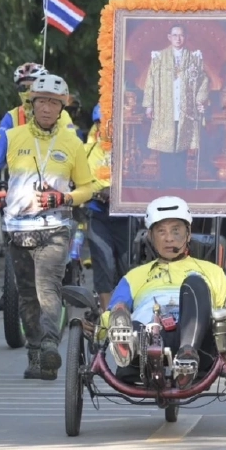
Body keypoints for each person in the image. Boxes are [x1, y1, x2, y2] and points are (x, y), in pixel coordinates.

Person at [0, 72, 97, 380]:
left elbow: (88, 187)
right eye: (41, 101)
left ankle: (49, 344)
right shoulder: (11, 137)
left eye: (53, 103)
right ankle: (35, 354)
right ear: (31, 105)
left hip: (55, 228)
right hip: (18, 228)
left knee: (48, 289)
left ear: (62, 108)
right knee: (27, 295)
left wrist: (64, 197)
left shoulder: (72, 142)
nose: (46, 108)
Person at [104, 196, 226, 387]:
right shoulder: (135, 275)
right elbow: (110, 313)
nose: (169, 238)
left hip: (193, 335)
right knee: (124, 312)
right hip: (147, 335)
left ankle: (186, 356)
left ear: (188, 234)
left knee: (195, 283)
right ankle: (129, 344)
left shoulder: (211, 271)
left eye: (176, 231)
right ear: (150, 236)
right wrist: (100, 327)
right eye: (161, 231)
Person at [143, 24, 210, 188]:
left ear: (185, 37)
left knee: (182, 146)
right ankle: (166, 183)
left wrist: (200, 100)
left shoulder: (194, 58)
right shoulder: (159, 58)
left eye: (181, 35)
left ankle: (180, 183)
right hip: (165, 108)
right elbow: (150, 82)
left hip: (185, 109)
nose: (178, 38)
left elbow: (203, 80)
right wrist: (149, 105)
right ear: (169, 37)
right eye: (174, 35)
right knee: (166, 147)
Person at [84, 105, 130, 308]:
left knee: (128, 269)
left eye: (110, 123)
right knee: (104, 265)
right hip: (98, 214)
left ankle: (128, 314)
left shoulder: (131, 148)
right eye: (100, 123)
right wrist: (98, 192)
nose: (105, 128)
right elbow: (79, 179)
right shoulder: (87, 150)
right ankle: (107, 318)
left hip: (128, 218)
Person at [0, 62, 75, 149]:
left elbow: (71, 146)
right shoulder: (12, 116)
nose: (28, 92)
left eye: (33, 86)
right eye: (23, 88)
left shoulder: (61, 115)